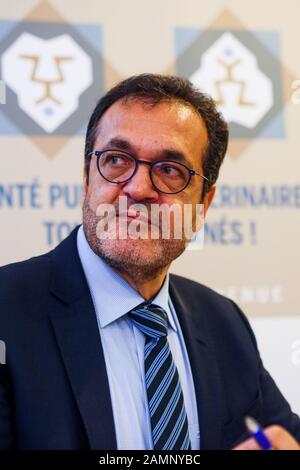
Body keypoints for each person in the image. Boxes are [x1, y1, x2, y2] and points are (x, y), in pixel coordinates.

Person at [0, 74, 299, 450]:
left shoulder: (224, 322)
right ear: (86, 181)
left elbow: (282, 437)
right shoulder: (7, 311)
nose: (138, 188)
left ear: (203, 205)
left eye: (169, 170)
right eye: (116, 160)